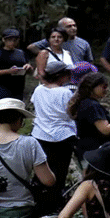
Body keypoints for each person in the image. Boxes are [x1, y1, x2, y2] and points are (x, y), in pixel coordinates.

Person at [31, 59, 78, 188]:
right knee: (60, 171)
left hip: (40, 134)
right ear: (60, 76)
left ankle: (40, 196)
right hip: (62, 136)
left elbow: (35, 104)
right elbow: (71, 113)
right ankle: (56, 201)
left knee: (42, 169)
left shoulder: (38, 90)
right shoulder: (65, 93)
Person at [70, 71, 110, 164]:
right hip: (94, 152)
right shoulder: (91, 105)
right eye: (104, 87)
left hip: (89, 151)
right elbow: (105, 129)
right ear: (92, 87)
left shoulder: (85, 102)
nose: (107, 89)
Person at [0, 28, 32, 102]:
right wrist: (8, 71)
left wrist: (28, 67)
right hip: (0, 88)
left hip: (18, 88)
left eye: (15, 40)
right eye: (10, 40)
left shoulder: (21, 53)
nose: (12, 42)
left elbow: (28, 67)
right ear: (4, 40)